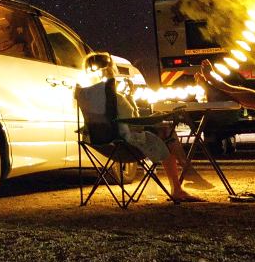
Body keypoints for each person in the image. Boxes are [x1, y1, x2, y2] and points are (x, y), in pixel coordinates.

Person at [84, 53, 208, 201]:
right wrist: (132, 99)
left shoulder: (85, 95)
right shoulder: (117, 97)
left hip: (99, 142)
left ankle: (185, 174)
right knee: (167, 131)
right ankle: (182, 179)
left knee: (163, 130)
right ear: (112, 71)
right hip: (125, 144)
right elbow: (134, 122)